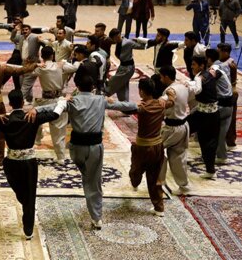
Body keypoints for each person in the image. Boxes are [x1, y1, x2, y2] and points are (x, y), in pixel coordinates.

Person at [30, 74, 135, 229]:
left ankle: (91, 198)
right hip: (94, 147)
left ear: (77, 86)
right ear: (92, 87)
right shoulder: (100, 100)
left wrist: (36, 109)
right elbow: (125, 106)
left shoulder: (72, 101)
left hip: (76, 149)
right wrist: (139, 105)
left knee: (88, 177)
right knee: (93, 182)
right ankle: (96, 217)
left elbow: (52, 107)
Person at [0, 90, 65, 239]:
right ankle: (28, 228)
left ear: (10, 103)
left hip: (11, 163)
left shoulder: (4, 120)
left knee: (20, 192)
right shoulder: (32, 117)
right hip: (29, 164)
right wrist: (63, 101)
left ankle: (27, 216)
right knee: (29, 196)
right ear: (23, 102)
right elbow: (56, 114)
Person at [112, 77, 173, 215]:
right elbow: (172, 100)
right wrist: (170, 93)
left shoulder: (142, 108)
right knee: (155, 178)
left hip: (142, 148)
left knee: (135, 171)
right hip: (158, 147)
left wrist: (111, 102)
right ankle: (159, 208)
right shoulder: (161, 104)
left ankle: (135, 184)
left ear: (141, 92)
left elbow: (124, 107)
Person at [31, 46, 76, 161]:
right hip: (59, 100)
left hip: (44, 100)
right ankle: (61, 157)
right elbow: (75, 68)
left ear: (42, 56)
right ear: (53, 55)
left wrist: (36, 64)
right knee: (59, 131)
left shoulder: (40, 68)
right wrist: (64, 62)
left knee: (33, 118)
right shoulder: (60, 65)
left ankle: (37, 139)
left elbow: (24, 70)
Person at [184, 56, 221, 179]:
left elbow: (198, 90)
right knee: (209, 142)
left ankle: (174, 157)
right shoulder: (210, 73)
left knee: (182, 129)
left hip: (204, 116)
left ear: (201, 66)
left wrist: (189, 86)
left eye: (194, 64)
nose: (191, 67)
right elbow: (217, 70)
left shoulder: (199, 77)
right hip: (213, 114)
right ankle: (210, 170)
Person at [156, 66, 191, 195]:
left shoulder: (169, 91)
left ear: (165, 76)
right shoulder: (183, 86)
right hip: (184, 125)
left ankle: (160, 182)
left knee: (157, 151)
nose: (160, 79)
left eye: (161, 76)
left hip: (172, 128)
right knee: (178, 156)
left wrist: (160, 102)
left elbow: (166, 101)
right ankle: (184, 186)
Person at [206, 49, 234, 165]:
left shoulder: (214, 68)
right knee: (221, 132)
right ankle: (222, 155)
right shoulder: (224, 65)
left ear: (209, 59)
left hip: (221, 105)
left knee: (199, 118)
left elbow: (209, 78)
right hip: (229, 103)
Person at [106, 28, 143, 103]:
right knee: (122, 86)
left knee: (113, 82)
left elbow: (141, 46)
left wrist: (150, 41)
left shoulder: (127, 42)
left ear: (117, 36)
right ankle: (124, 104)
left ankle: (104, 94)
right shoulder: (118, 43)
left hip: (128, 68)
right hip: (123, 66)